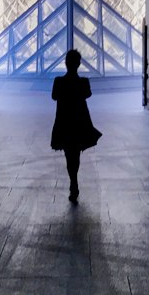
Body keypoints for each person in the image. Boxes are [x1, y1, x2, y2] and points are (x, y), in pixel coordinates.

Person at [50, 49, 102, 202]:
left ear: (66, 63)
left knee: (69, 154)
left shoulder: (58, 81)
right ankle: (74, 180)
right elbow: (87, 94)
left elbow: (54, 97)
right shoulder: (84, 82)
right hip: (79, 123)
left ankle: (73, 181)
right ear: (78, 64)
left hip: (64, 122)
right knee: (75, 154)